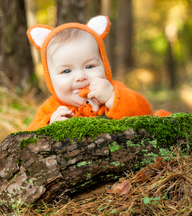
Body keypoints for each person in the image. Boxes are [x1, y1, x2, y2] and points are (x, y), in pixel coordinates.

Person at [26, 15, 167, 131]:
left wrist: (112, 98)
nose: (81, 77)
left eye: (89, 66)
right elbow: (26, 140)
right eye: (67, 71)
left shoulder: (114, 90)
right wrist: (50, 126)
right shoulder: (52, 108)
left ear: (104, 66)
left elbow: (145, 112)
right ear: (50, 79)